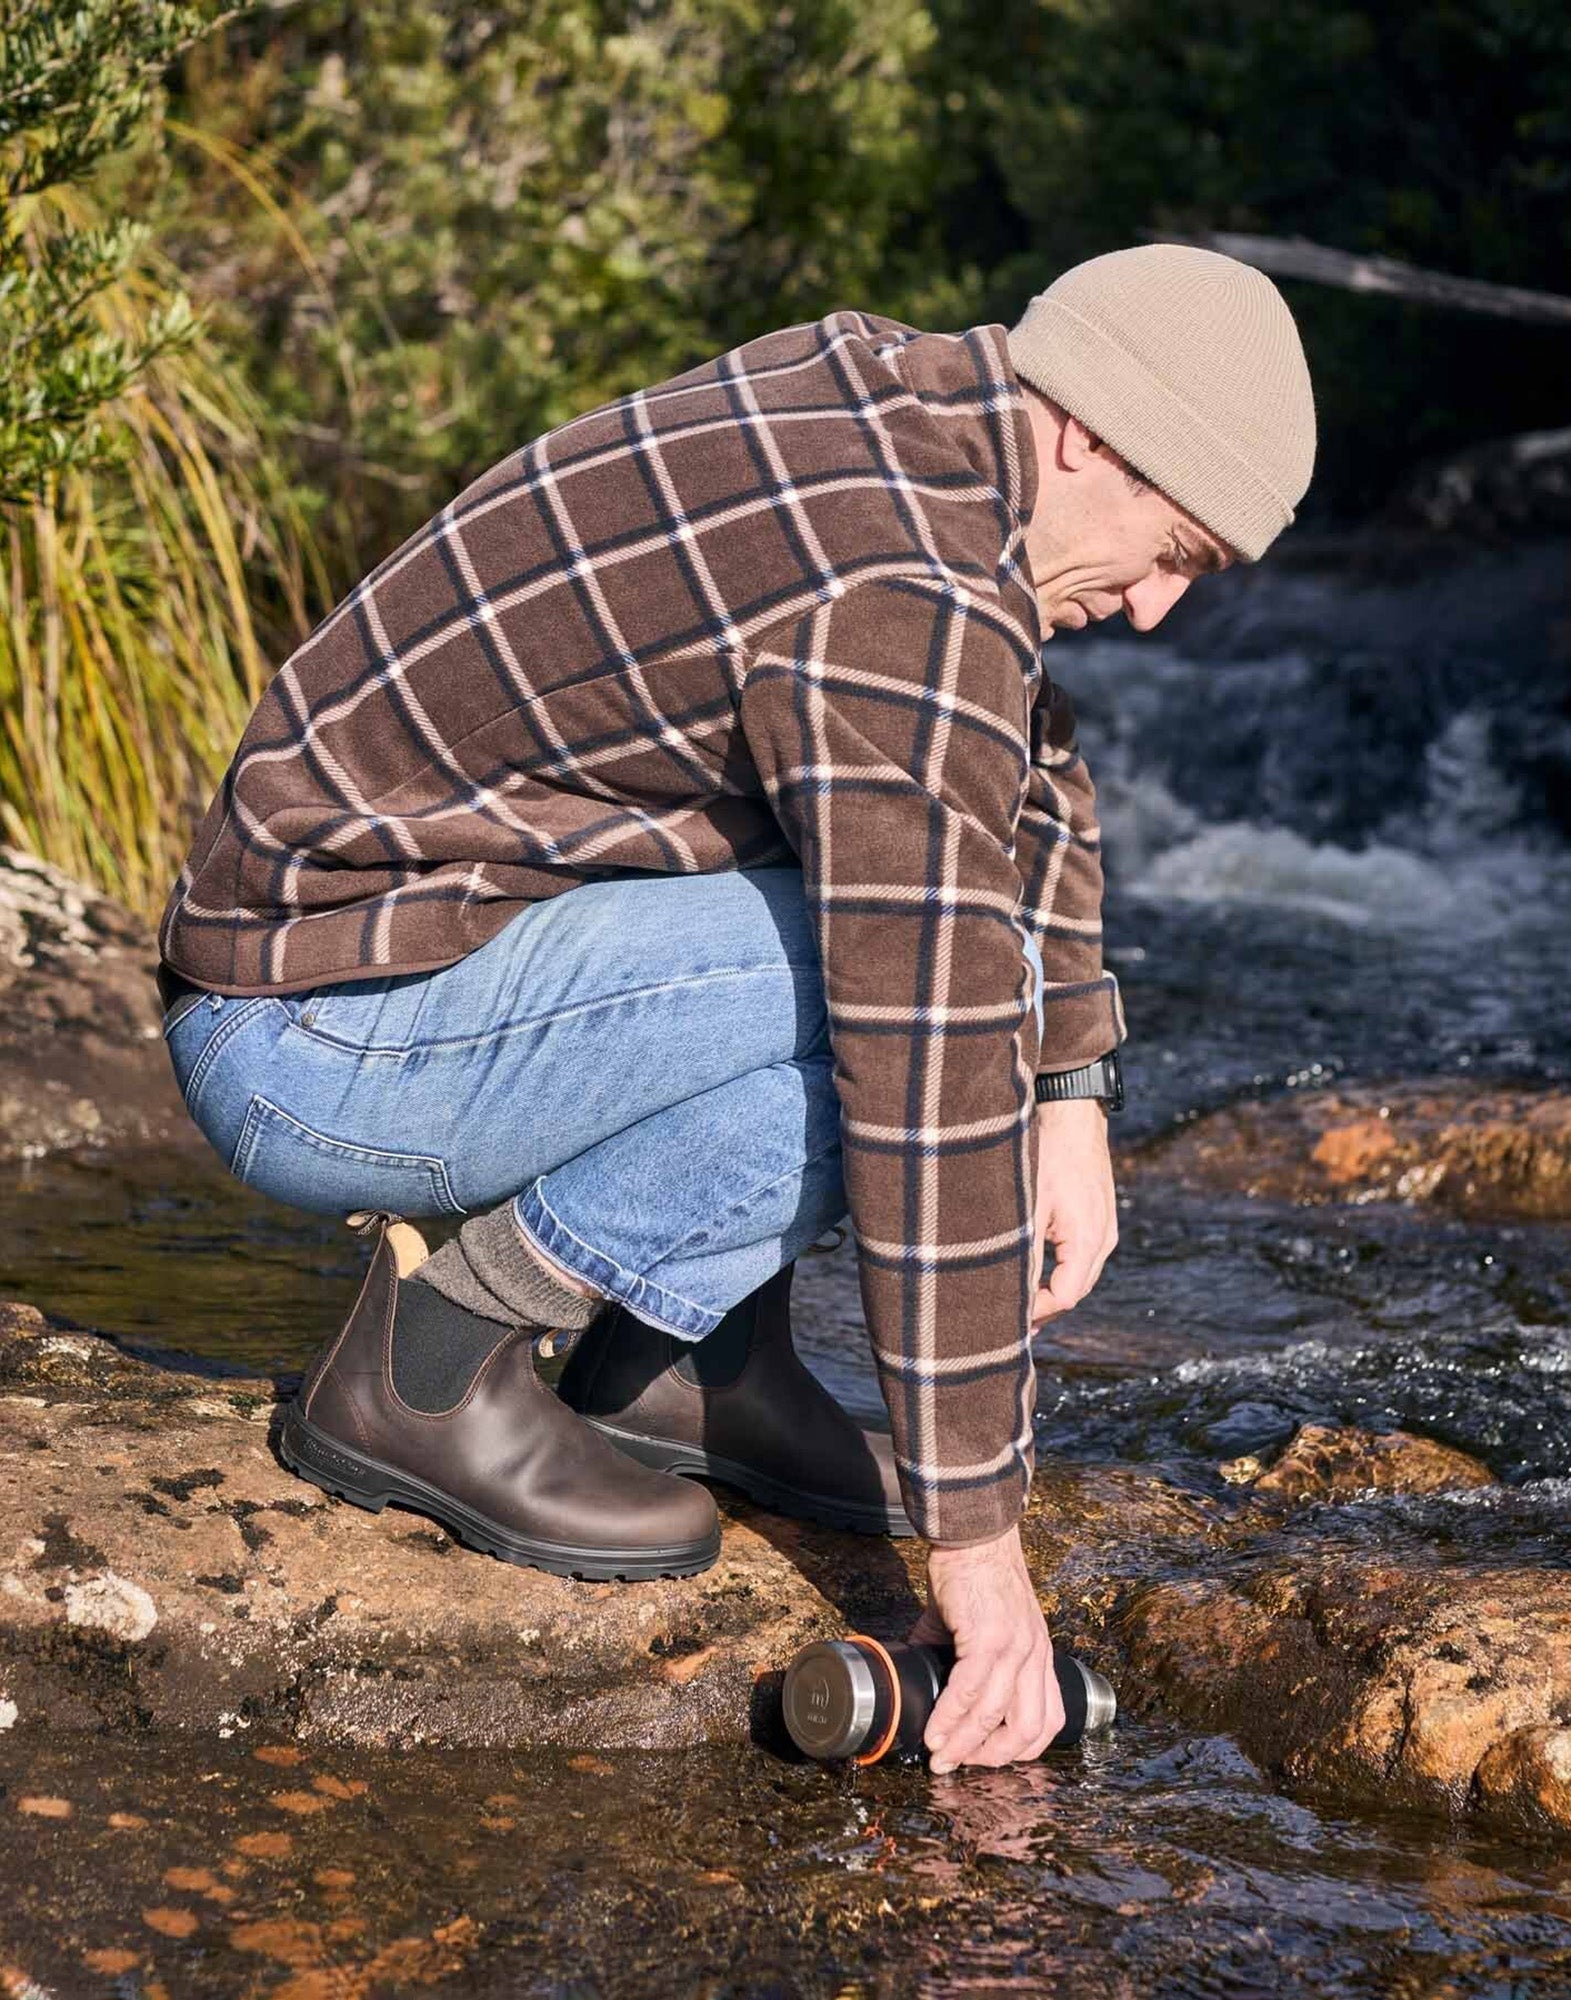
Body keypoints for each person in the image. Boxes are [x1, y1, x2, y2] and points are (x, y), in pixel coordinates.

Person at [156, 243, 1314, 1775]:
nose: (1161, 610)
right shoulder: (902, 586)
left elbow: (1023, 770)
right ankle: (433, 1355)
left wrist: (1079, 1094)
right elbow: (932, 1054)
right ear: (1089, 430)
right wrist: (983, 1558)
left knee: (955, 942)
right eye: (1176, 547)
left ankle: (693, 1358)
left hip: (391, 960)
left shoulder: (910, 409)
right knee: (924, 988)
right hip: (316, 1033)